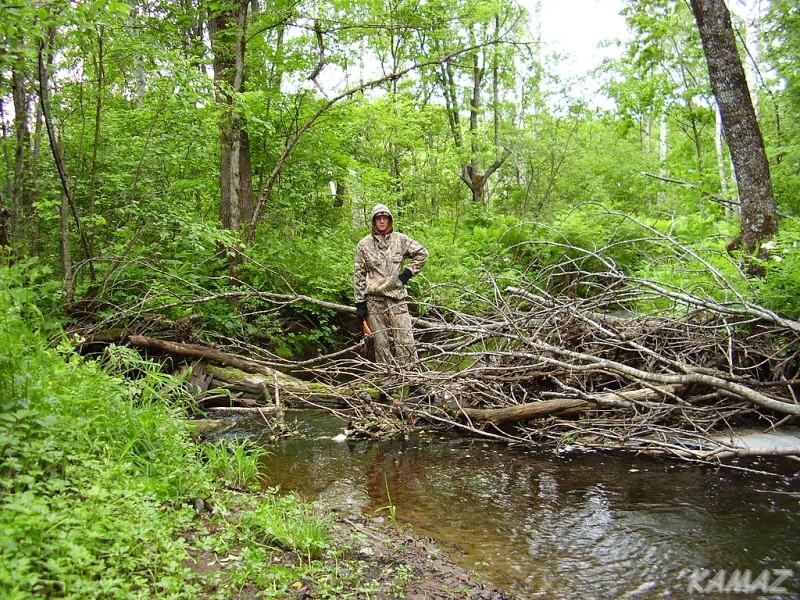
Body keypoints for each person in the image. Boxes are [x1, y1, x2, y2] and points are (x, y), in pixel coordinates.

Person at [354, 203, 428, 369]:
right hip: (374, 300)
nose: (381, 221)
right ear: (373, 221)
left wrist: (407, 274)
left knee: (406, 340)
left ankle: (413, 381)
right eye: (378, 218)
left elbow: (423, 254)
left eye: (384, 218)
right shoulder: (363, 245)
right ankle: (386, 383)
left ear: (390, 220)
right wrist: (360, 303)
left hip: (397, 298)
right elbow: (359, 274)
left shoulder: (401, 240)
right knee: (381, 343)